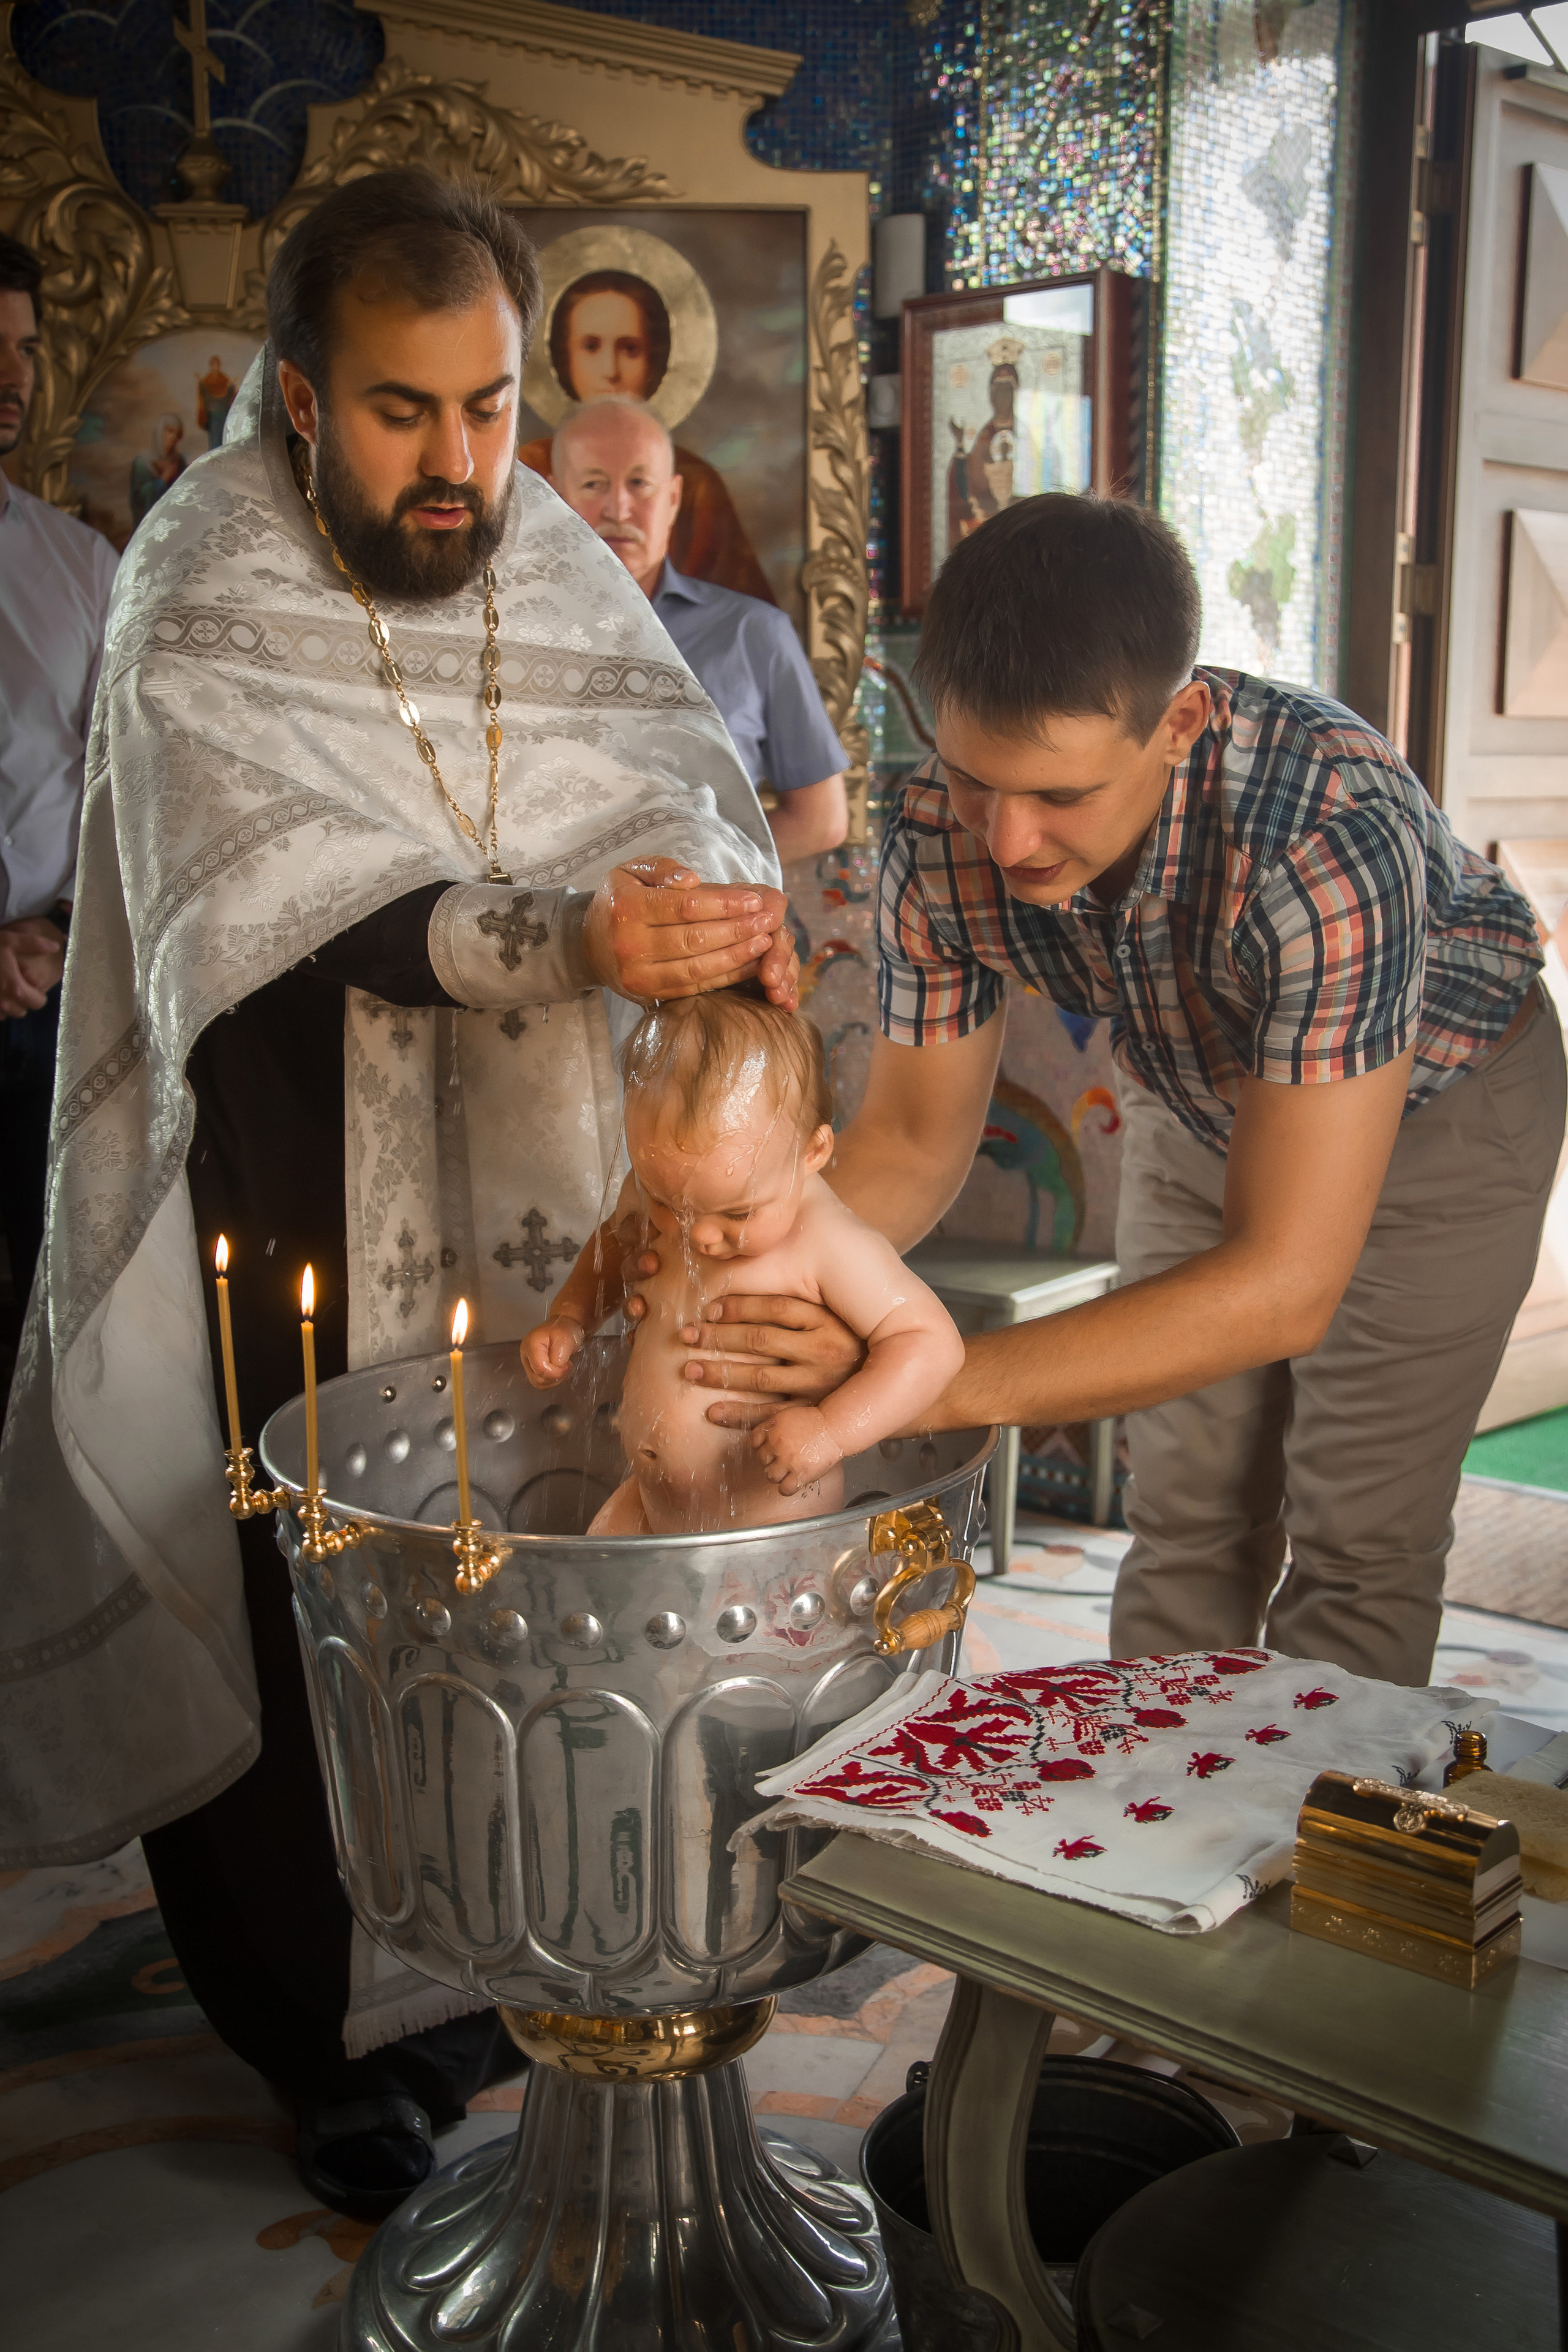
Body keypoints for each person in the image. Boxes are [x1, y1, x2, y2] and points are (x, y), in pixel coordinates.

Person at [0, 168, 797, 2217]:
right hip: (296, 1178)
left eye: (490, 407)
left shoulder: (538, 549)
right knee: (304, 1596)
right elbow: (258, 892)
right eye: (402, 412)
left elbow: (680, 766)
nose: (460, 466)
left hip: (540, 1170)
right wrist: (559, 938)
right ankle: (324, 2035)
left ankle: (514, 1958)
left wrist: (703, 915)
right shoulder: (200, 570)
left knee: (525, 1558)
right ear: (296, 395)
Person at [666, 494, 1565, 1692]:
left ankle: (1310, 1863)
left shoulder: (1324, 830)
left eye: (1059, 797)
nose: (1006, 840)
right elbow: (910, 1145)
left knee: (1353, 1538)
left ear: (1178, 722)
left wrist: (906, 1372)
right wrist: (718, 1280)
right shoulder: (945, 822)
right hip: (1198, 1097)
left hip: (1440, 1118)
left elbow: (1281, 1289)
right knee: (1185, 1508)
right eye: (976, 780)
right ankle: (1152, 1840)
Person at [524, 989, 962, 1532]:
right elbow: (615, 1243)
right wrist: (572, 1316)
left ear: (813, 1154)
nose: (700, 1234)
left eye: (738, 1213)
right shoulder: (667, 1186)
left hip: (769, 1522)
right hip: (648, 1503)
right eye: (667, 1202)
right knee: (599, 1596)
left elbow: (931, 1343)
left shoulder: (829, 1240)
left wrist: (830, 1430)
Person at [552, 398, 850, 864]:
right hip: (554, 922)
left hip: (710, 921)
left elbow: (822, 820)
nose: (619, 508)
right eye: (593, 484)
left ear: (673, 499)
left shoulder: (754, 633)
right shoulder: (509, 634)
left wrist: (707, 877)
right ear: (554, 498)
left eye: (639, 483)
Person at [0, 232, 118, 1318]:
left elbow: (124, 782)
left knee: (48, 1308)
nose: (12, 380)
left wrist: (53, 931)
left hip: (39, 1003)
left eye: (26, 349)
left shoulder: (80, 570)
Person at [518, 266, 774, 602]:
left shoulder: (702, 485)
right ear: (564, 357)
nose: (610, 370)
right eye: (591, 347)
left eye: (630, 349)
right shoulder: (523, 472)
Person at [129, 409, 185, 524]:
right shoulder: (143, 462)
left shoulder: (179, 461)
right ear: (160, 431)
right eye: (170, 431)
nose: (174, 437)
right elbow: (139, 498)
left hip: (175, 519)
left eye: (178, 434)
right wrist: (163, 481)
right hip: (150, 523)